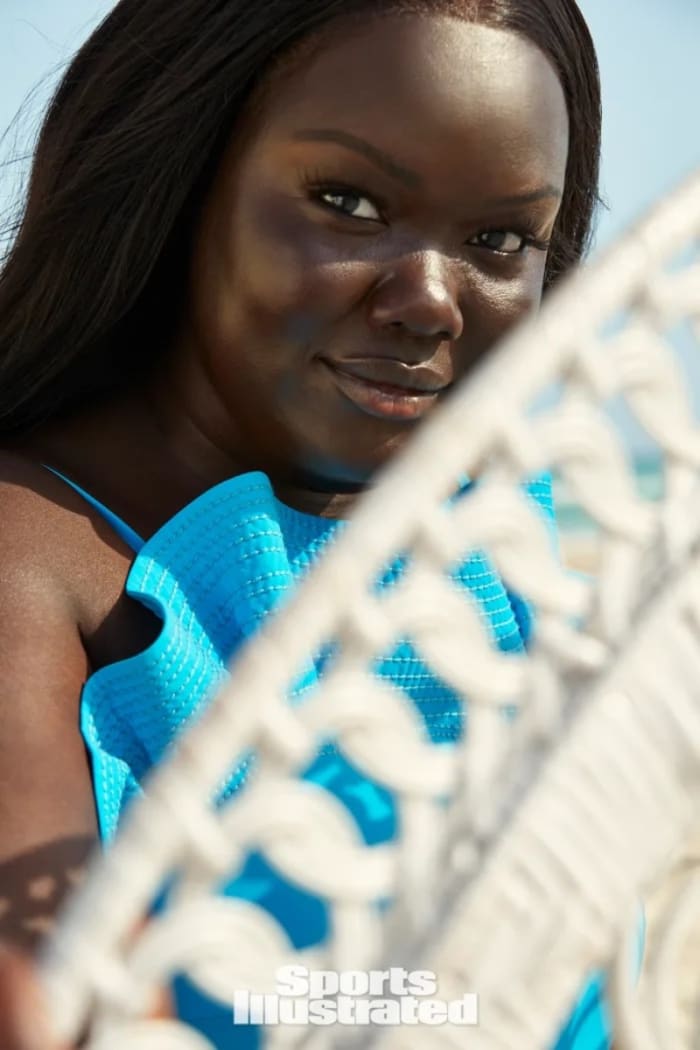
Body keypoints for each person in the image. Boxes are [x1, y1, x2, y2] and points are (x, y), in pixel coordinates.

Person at [0, 0, 607, 1046]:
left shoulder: (490, 545)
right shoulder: (30, 556)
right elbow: (52, 1014)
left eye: (502, 238)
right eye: (348, 202)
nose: (429, 301)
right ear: (178, 187)